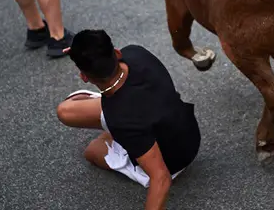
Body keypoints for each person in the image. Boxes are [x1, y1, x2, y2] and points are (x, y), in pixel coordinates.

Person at [56, 29, 201, 209]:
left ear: (84, 77)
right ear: (117, 53)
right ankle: (119, 131)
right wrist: (85, 52)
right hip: (186, 132)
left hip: (174, 161)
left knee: (92, 151)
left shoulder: (121, 118)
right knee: (65, 110)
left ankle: (119, 140)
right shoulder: (135, 53)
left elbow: (161, 178)